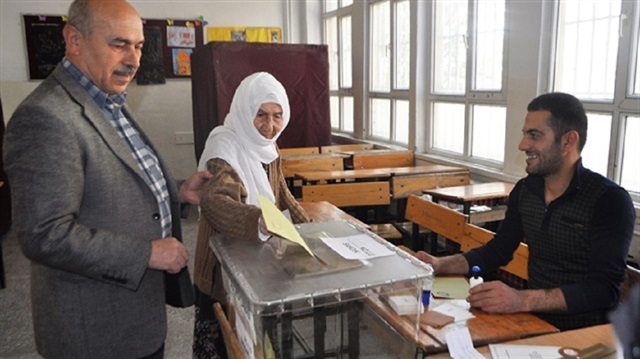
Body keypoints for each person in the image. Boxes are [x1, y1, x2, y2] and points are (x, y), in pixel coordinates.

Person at [3, 0, 211, 357]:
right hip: (96, 331)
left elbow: (114, 181)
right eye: (119, 44)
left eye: (139, 46)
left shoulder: (107, 100)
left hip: (136, 315)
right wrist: (146, 253)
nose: (133, 59)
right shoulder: (45, 117)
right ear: (74, 40)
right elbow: (44, 233)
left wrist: (177, 191)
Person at [417, 92, 635, 331]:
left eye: (534, 136)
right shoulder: (525, 190)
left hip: (582, 336)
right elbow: (497, 251)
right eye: (525, 134)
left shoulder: (609, 200)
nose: (523, 145)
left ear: (568, 141)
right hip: (532, 321)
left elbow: (603, 290)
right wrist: (439, 264)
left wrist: (521, 299)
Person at [192, 72, 310, 358]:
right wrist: (260, 220)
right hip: (222, 267)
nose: (269, 126)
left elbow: (281, 194)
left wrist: (311, 230)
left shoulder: (269, 148)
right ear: (245, 110)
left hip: (258, 263)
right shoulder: (224, 147)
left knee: (264, 343)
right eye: (261, 114)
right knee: (226, 344)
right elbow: (215, 202)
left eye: (277, 116)